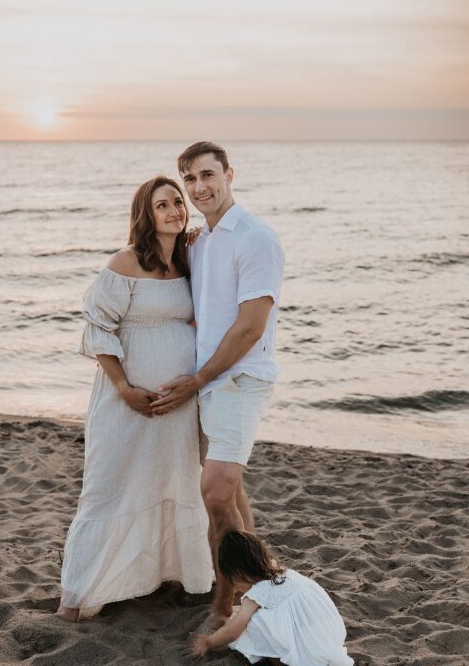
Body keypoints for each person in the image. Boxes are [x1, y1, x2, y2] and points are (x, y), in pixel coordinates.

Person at [57, 176, 214, 622]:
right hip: (126, 401)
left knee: (169, 482)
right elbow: (97, 327)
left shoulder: (189, 261)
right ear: (145, 214)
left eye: (177, 203)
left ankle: (156, 576)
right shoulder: (125, 263)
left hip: (178, 407)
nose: (174, 211)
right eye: (162, 205)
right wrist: (124, 387)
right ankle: (79, 596)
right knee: (110, 488)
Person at [152, 142, 285, 625]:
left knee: (214, 490)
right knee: (229, 491)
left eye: (207, 175)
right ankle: (263, 583)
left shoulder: (255, 238)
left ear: (230, 174)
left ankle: (227, 601)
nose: (198, 187)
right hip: (208, 379)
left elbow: (251, 325)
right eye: (189, 179)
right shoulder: (198, 241)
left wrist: (198, 379)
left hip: (239, 378)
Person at [190, 531, 354, 665]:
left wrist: (208, 642)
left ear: (238, 575)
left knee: (253, 623)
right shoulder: (283, 572)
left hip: (301, 647)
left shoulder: (255, 595)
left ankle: (280, 661)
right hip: (324, 632)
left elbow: (232, 632)